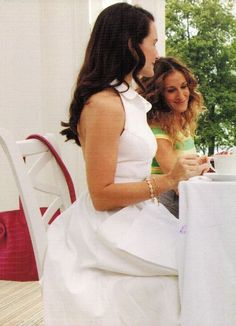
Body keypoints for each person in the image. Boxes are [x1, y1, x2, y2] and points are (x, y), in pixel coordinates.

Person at [42, 4, 209, 326]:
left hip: (136, 215)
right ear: (133, 46)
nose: (156, 53)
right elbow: (102, 196)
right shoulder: (104, 104)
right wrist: (170, 180)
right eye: (153, 42)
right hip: (109, 225)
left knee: (208, 253)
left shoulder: (125, 100)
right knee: (203, 264)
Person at [139, 57, 205, 218]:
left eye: (184, 87)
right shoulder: (157, 131)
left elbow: (187, 168)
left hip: (184, 203)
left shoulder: (180, 124)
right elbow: (178, 181)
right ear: (158, 94)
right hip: (169, 211)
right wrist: (202, 170)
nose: (181, 95)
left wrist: (202, 164)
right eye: (171, 90)